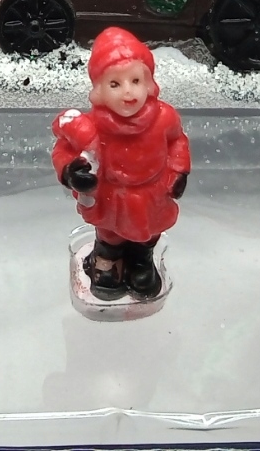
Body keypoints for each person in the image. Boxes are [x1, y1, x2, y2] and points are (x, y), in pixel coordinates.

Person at [51, 27, 191, 301]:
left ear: (148, 82)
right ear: (99, 90)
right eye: (115, 84)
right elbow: (63, 150)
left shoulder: (165, 118)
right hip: (111, 195)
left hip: (151, 192)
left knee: (148, 231)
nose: (128, 92)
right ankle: (108, 259)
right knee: (110, 232)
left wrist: (178, 171)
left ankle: (142, 261)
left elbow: (177, 142)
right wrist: (70, 172)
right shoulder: (90, 127)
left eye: (135, 80)